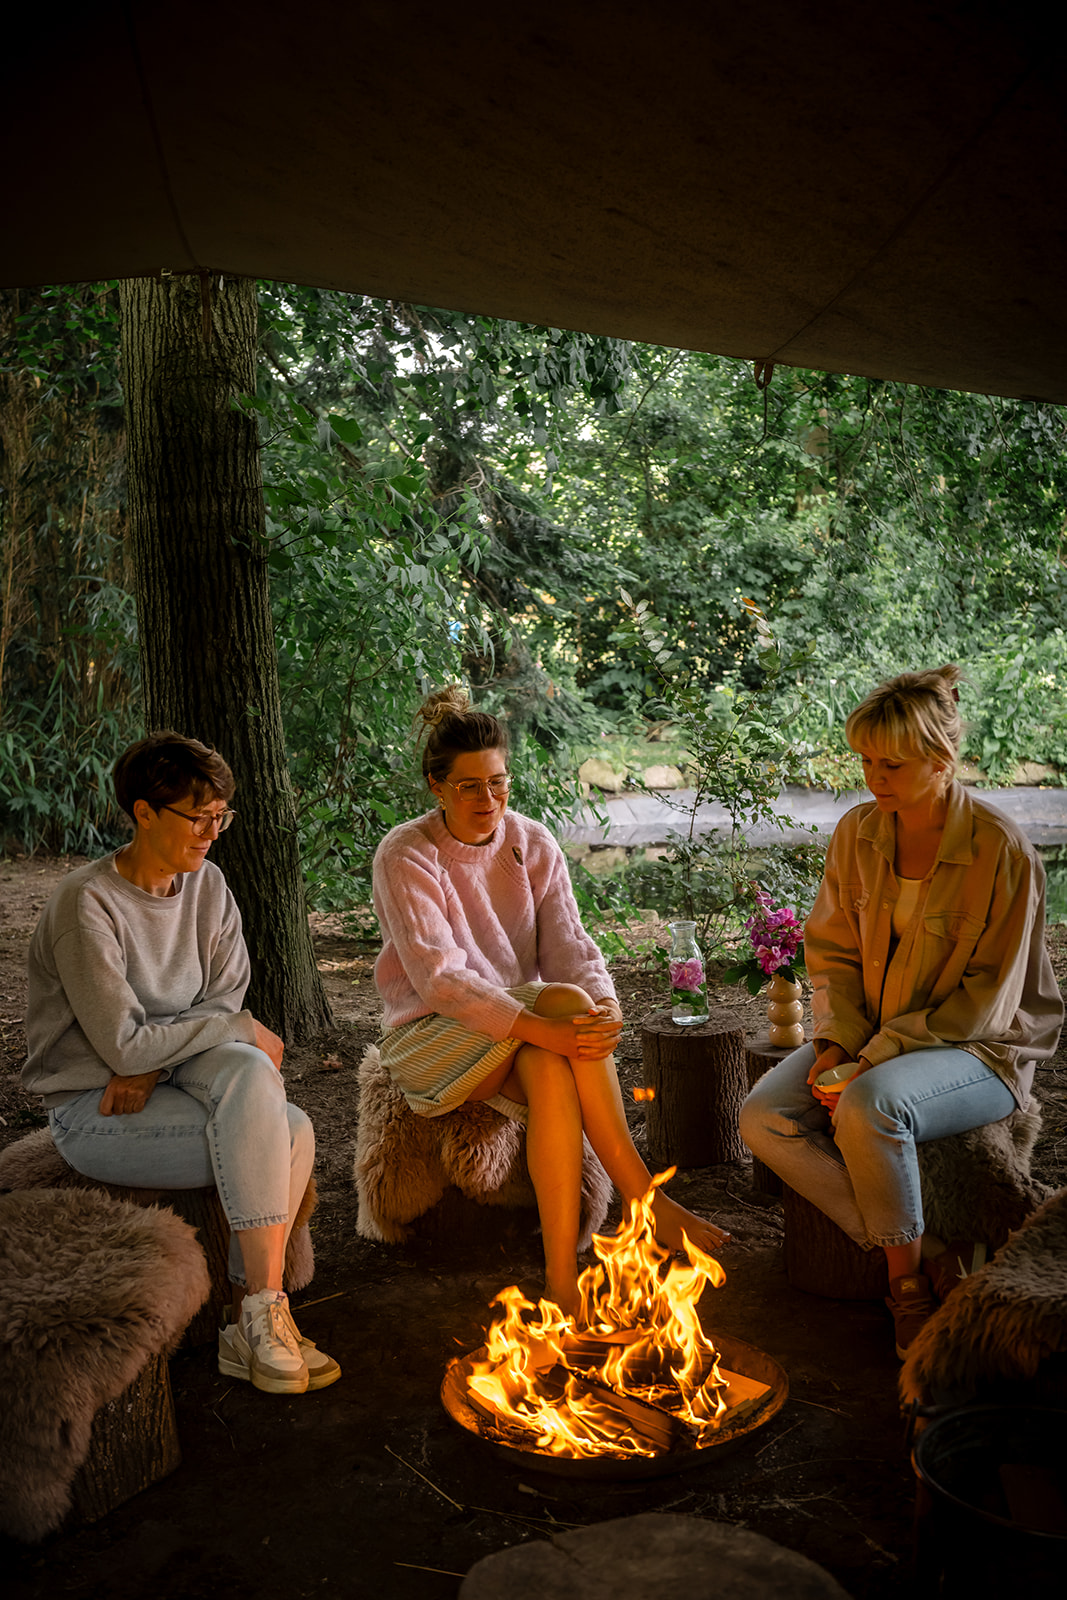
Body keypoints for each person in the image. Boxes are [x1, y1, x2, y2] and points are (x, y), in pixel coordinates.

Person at [372, 687, 729, 1318]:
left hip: (519, 1033)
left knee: (552, 1065)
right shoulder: (406, 855)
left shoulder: (530, 842)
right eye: (469, 787)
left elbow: (568, 940)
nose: (489, 801)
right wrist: (547, 1019)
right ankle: (644, 1196)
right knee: (558, 1009)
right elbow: (441, 981)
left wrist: (602, 1002)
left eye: (499, 783)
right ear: (435, 786)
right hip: (432, 1036)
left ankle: (562, 1277)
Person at [740, 666, 1063, 1357]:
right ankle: (934, 1247)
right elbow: (831, 956)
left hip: (980, 1049)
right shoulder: (857, 834)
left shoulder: (998, 850)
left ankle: (905, 1289)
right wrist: (834, 1044)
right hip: (871, 1041)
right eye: (863, 759)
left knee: (870, 1107)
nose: (871, 777)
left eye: (890, 763)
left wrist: (873, 1060)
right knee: (761, 1116)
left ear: (940, 761)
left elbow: (988, 998)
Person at [23, 732, 340, 1396]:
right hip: (93, 1109)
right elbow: (143, 1041)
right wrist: (200, 1036)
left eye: (219, 815)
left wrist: (156, 1057)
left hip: (155, 1079)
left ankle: (256, 1313)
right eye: (198, 816)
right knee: (287, 1130)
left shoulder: (209, 886)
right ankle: (252, 1318)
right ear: (143, 813)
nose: (212, 832)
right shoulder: (88, 906)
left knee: (256, 1076)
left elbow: (222, 995)